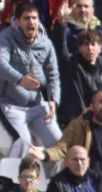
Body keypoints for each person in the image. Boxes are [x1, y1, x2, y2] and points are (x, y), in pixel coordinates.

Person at [0, 2, 63, 158]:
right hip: (10, 105)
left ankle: (50, 182)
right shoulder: (6, 37)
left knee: (58, 144)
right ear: (18, 21)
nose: (31, 22)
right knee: (22, 141)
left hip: (37, 105)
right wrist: (20, 80)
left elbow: (53, 74)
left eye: (34, 18)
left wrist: (54, 99)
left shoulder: (46, 43)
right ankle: (9, 181)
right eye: (26, 18)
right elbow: (1, 64)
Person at [52, 27, 102, 127]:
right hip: (73, 124)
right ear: (79, 48)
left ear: (100, 48)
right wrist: (60, 24)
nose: (90, 48)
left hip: (98, 124)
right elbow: (60, 46)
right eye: (86, 44)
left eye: (93, 44)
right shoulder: (71, 65)